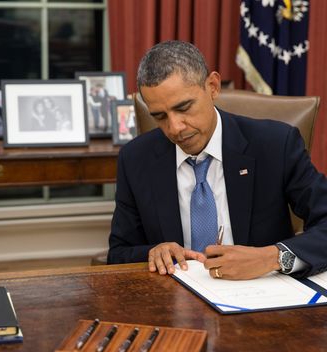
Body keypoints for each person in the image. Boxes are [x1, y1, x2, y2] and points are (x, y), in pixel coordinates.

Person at [107, 40, 327, 280]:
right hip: (174, 301)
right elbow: (118, 253)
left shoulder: (275, 144)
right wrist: (153, 252)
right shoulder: (136, 158)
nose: (175, 128)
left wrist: (271, 257)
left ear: (212, 86)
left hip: (261, 294)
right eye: (160, 116)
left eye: (184, 108)